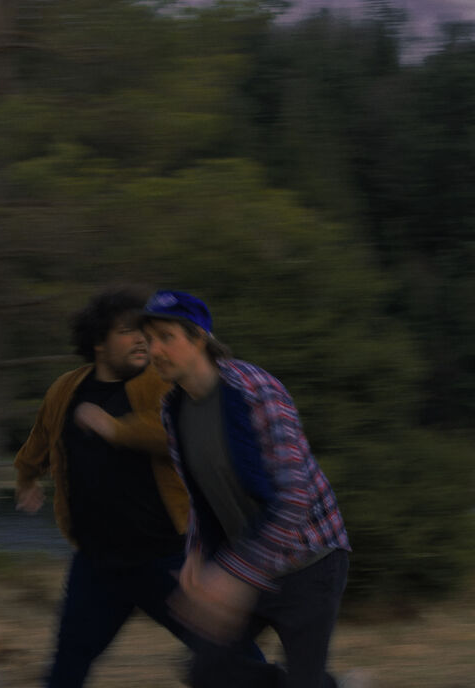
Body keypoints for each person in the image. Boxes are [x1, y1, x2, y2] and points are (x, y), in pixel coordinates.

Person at [139, 289, 350, 688]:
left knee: (303, 681)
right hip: (248, 563)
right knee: (206, 672)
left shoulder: (255, 390)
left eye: (166, 337)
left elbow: (293, 498)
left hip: (309, 561)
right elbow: (202, 497)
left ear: (199, 339)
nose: (155, 351)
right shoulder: (174, 410)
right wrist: (197, 556)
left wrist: (234, 576)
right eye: (149, 340)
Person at [14, 287, 195, 687]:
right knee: (66, 667)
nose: (142, 340)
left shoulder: (160, 382)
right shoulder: (66, 390)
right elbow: (39, 442)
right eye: (128, 331)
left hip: (164, 559)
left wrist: (116, 429)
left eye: (146, 332)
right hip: (97, 566)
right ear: (99, 342)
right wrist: (26, 478)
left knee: (230, 656)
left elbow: (176, 433)